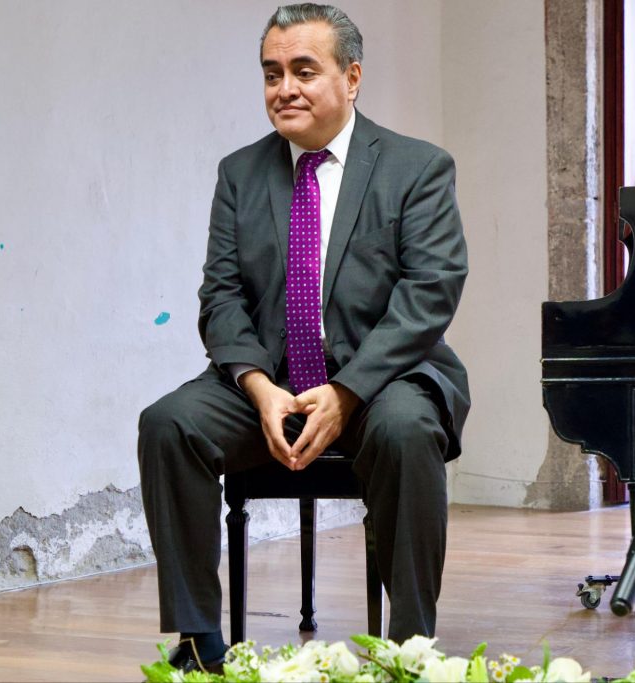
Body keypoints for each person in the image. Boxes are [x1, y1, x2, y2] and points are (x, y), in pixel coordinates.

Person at [137, 3, 469, 672]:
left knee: (407, 430)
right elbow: (221, 296)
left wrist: (347, 392)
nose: (284, 88)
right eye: (272, 73)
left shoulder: (416, 167)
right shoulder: (240, 174)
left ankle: (410, 651)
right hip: (271, 380)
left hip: (385, 377)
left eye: (304, 71)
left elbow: (429, 291)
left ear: (352, 78)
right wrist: (258, 387)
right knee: (168, 424)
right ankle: (199, 641)